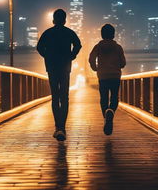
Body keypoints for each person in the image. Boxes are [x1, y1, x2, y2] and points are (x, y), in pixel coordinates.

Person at [37, 9, 82, 141]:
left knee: (55, 97)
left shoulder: (48, 33)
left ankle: (57, 127)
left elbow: (39, 47)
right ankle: (63, 127)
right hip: (65, 67)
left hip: (51, 68)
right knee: (64, 97)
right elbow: (78, 44)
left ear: (53, 19)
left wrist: (47, 56)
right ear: (64, 20)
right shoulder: (68, 32)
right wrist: (71, 56)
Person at [89, 24, 126, 135]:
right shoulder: (118, 47)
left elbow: (91, 59)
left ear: (102, 34)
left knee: (103, 97)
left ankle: (106, 116)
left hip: (103, 76)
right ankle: (111, 111)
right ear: (113, 34)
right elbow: (123, 63)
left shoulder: (98, 46)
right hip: (115, 75)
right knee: (114, 97)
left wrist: (95, 68)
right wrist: (118, 65)